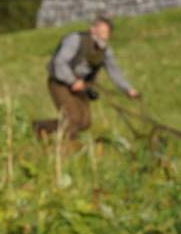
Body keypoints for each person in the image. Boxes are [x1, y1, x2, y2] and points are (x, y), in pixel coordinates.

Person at [39, 15, 140, 143]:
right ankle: (69, 148)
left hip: (82, 85)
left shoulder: (106, 51)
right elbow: (59, 62)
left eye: (107, 33)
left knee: (85, 122)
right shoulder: (75, 40)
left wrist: (129, 89)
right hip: (61, 82)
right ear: (93, 29)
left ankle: (41, 127)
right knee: (73, 118)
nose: (105, 36)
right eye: (102, 31)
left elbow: (115, 72)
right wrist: (72, 81)